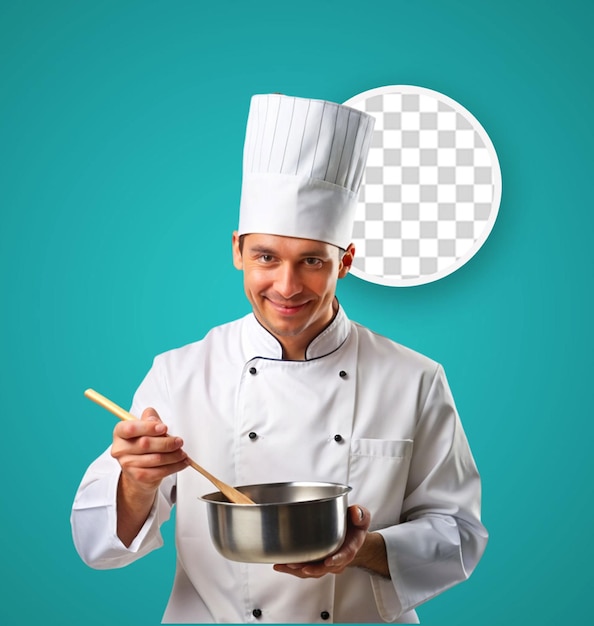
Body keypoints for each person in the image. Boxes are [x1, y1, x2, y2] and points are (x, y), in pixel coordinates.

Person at [71, 93, 488, 623]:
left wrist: (358, 548)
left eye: (312, 261)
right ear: (238, 250)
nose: (287, 287)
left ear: (346, 262)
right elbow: (95, 544)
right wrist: (137, 481)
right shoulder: (178, 374)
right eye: (266, 257)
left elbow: (459, 536)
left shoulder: (415, 378)